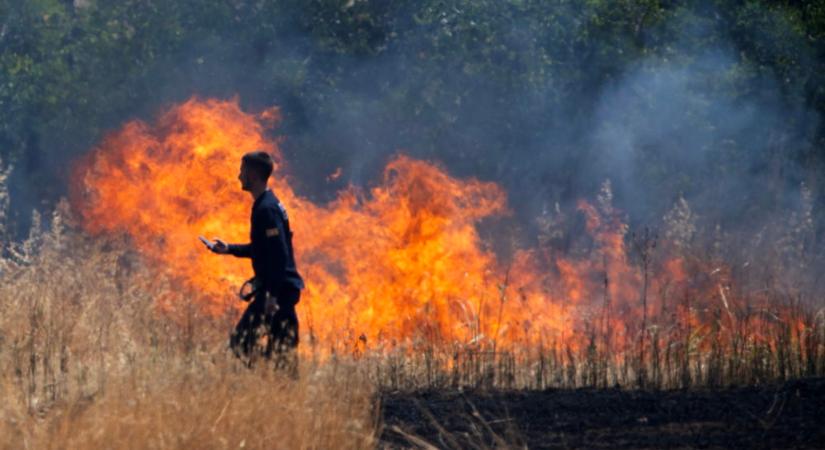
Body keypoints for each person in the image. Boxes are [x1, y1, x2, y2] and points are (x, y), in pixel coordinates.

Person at [207, 151, 304, 366]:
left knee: (242, 344)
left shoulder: (266, 209)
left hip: (278, 294)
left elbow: (279, 255)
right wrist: (229, 249)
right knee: (281, 356)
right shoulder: (266, 204)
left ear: (253, 174)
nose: (239, 176)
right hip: (279, 290)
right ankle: (271, 381)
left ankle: (267, 380)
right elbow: (264, 249)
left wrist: (271, 296)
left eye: (242, 171)